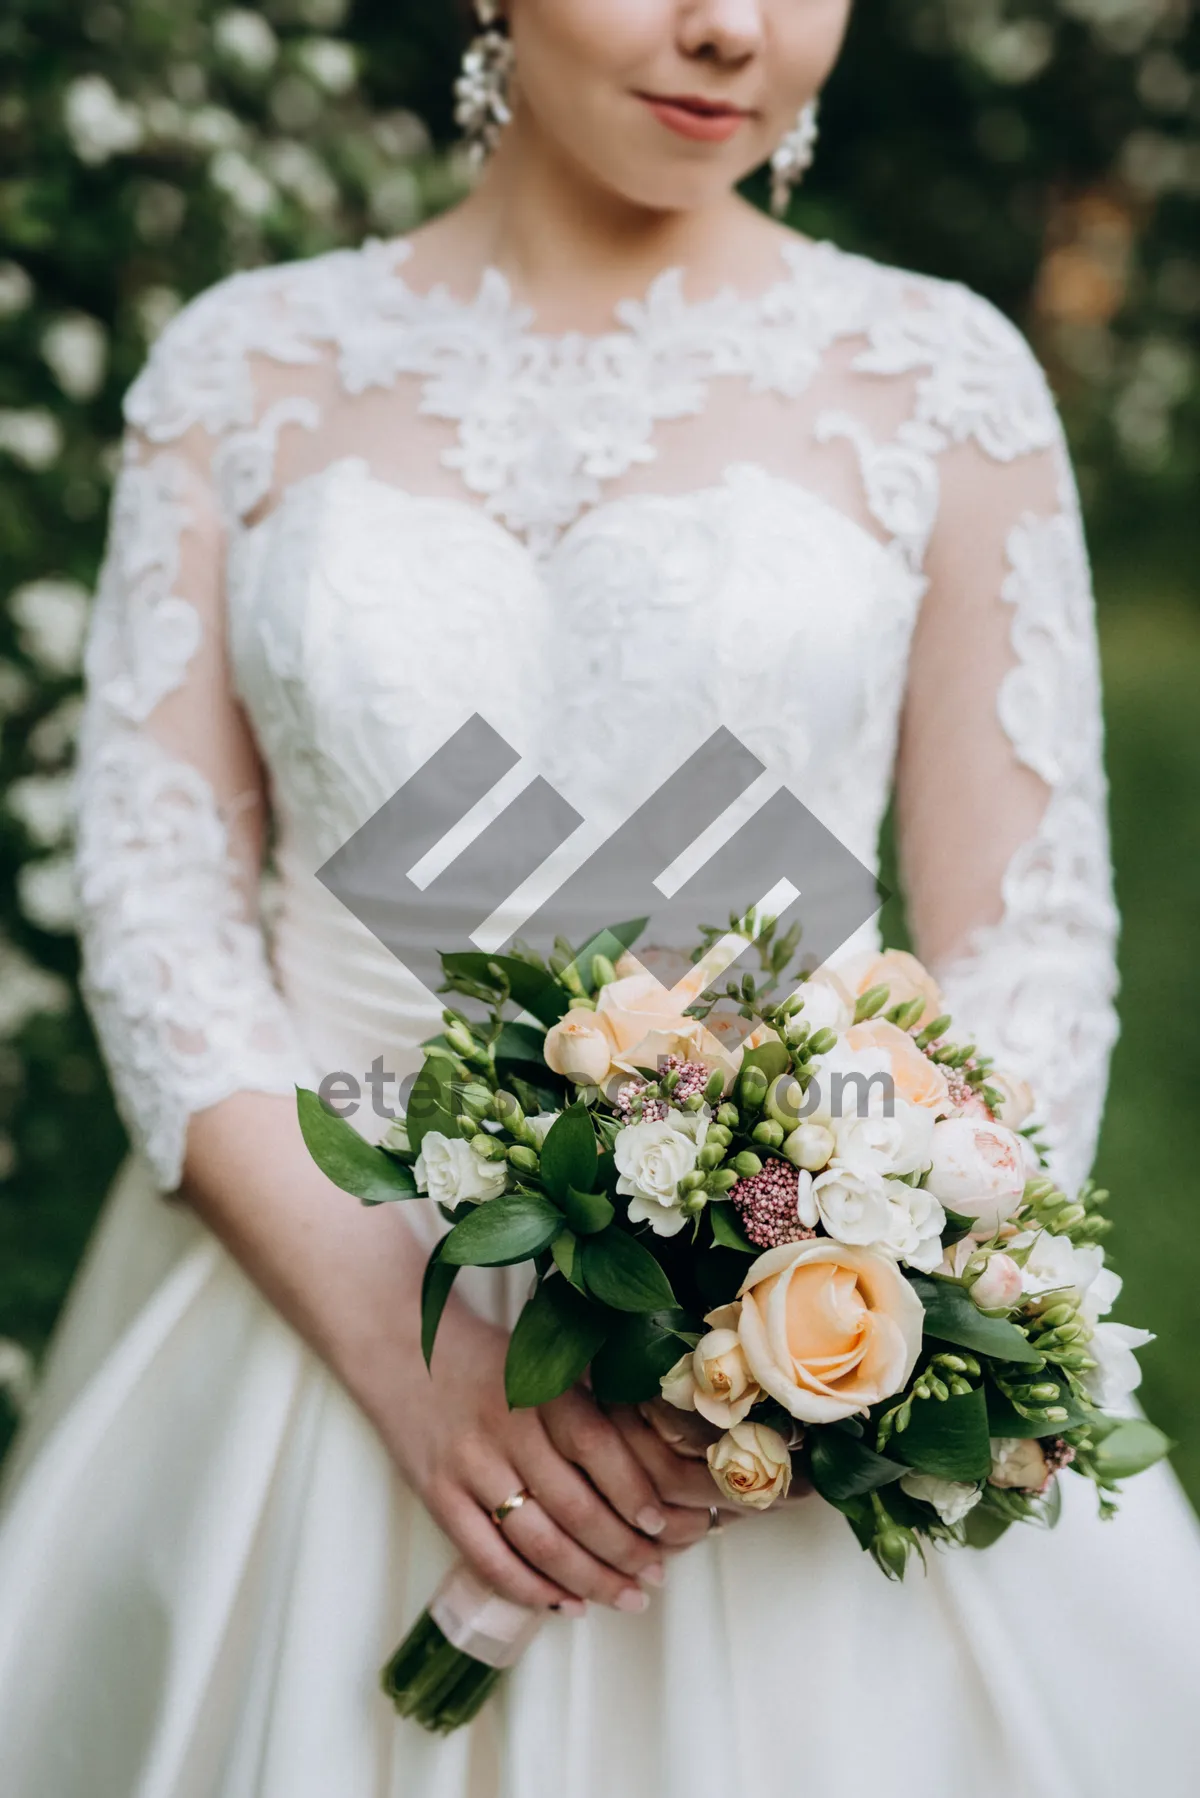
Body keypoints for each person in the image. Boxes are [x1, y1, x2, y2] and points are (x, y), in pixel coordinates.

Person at [2, 2, 1199, 1793]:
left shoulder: (940, 380)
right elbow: (160, 893)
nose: (733, 28)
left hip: (782, 1371)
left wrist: (820, 1315)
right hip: (312, 1300)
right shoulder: (242, 370)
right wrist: (413, 1365)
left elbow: (1028, 938)